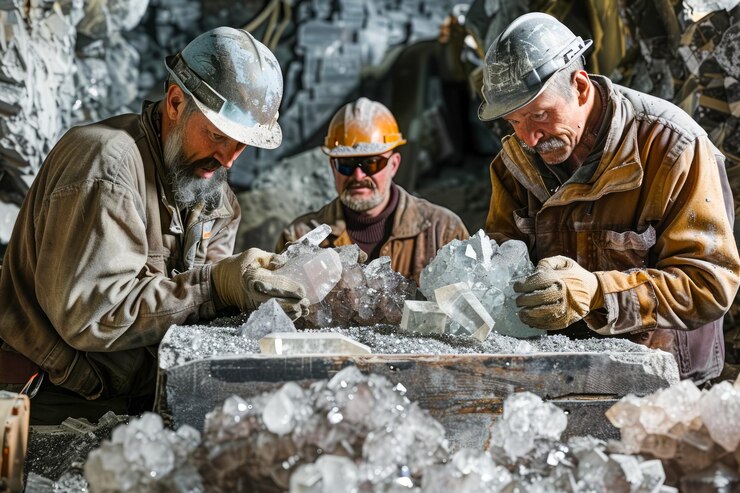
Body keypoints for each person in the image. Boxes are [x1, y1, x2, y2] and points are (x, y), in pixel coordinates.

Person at [0, 27, 309, 424]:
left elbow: (207, 311)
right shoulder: (106, 167)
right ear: (176, 102)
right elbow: (92, 316)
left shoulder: (214, 194)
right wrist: (216, 284)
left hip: (131, 396)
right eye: (218, 135)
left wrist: (253, 296)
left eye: (241, 144)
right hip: (50, 397)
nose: (229, 159)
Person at [479, 12, 740, 384]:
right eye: (515, 123)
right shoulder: (514, 164)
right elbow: (499, 265)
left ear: (581, 87)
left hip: (669, 385)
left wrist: (599, 292)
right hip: (566, 379)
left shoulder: (671, 146)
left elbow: (708, 285)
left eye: (539, 115)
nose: (529, 139)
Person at [276, 97, 469, 284]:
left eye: (372, 164)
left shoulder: (443, 231)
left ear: (394, 165)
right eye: (346, 164)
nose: (359, 176)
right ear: (333, 167)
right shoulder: (299, 238)